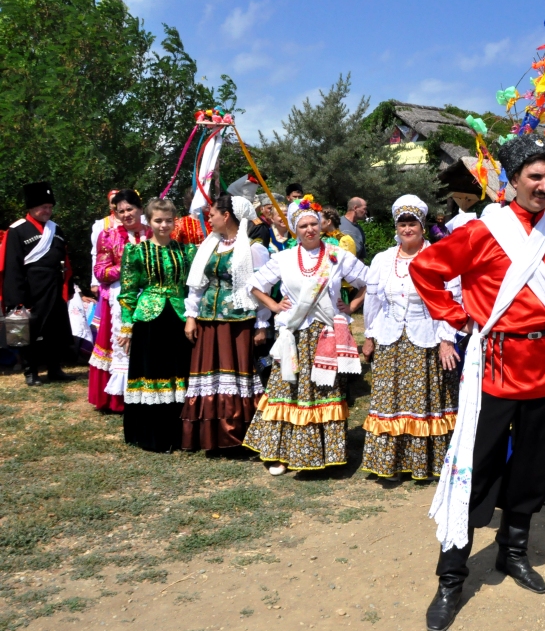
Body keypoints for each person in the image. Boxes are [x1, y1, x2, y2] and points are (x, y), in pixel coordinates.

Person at [409, 131, 545, 631]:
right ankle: (451, 578)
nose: (544, 185)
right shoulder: (483, 231)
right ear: (514, 181)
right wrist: (457, 315)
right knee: (472, 471)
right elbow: (426, 268)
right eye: (534, 177)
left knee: (530, 471)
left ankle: (512, 552)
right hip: (494, 370)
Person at [243, 196, 368, 474]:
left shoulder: (337, 256)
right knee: (286, 390)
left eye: (314, 224)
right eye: (303, 226)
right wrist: (274, 305)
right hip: (294, 336)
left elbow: (369, 281)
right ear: (295, 230)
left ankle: (325, 453)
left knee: (326, 390)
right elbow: (254, 283)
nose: (310, 229)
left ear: (321, 226)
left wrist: (353, 305)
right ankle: (279, 453)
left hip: (325, 334)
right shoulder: (284, 258)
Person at [361, 195, 460, 482]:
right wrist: (370, 336)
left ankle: (425, 463)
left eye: (412, 224)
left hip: (427, 340)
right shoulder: (382, 259)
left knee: (424, 402)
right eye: (402, 224)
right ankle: (391, 463)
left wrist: (446, 339)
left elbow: (452, 300)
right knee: (390, 401)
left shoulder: (438, 256)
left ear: (422, 226)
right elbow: (374, 303)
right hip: (391, 340)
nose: (407, 229)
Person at [181, 194, 270, 451]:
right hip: (208, 321)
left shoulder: (253, 249)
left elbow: (260, 290)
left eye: (213, 214)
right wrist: (191, 317)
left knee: (236, 375)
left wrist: (261, 325)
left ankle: (236, 435)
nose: (209, 218)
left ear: (227, 215)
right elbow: (197, 285)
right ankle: (207, 435)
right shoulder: (209, 245)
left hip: (237, 323)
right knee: (209, 375)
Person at [117, 198, 196, 451]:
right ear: (148, 222)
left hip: (179, 318)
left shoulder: (186, 251)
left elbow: (190, 287)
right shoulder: (137, 251)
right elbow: (128, 292)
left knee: (178, 372)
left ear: (175, 221)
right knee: (151, 373)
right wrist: (127, 328)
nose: (164, 225)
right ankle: (152, 435)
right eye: (158, 220)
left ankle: (178, 434)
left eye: (168, 220)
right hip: (149, 320)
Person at [1, 182, 74, 386]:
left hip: (54, 288)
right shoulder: (17, 230)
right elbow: (12, 266)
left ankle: (54, 368)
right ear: (31, 208)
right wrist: (16, 299)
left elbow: (64, 261)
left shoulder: (56, 229)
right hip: (29, 289)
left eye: (50, 207)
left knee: (55, 331)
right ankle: (30, 371)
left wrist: (68, 286)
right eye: (43, 207)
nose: (47, 211)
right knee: (26, 332)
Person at [89, 190, 151, 411]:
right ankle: (117, 399)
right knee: (120, 346)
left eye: (130, 209)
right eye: (121, 211)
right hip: (118, 299)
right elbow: (101, 271)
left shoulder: (154, 233)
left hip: (150, 299)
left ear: (140, 209)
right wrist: (127, 267)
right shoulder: (108, 236)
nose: (126, 214)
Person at [89, 190, 120, 294]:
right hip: (109, 275)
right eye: (113, 202)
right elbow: (96, 254)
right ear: (109, 205)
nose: (116, 204)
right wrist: (95, 282)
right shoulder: (101, 225)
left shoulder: (133, 222)